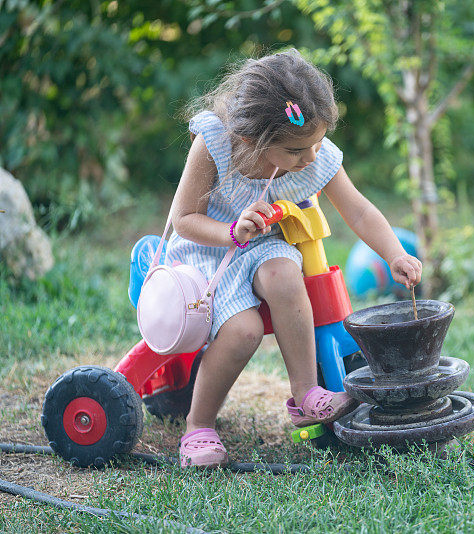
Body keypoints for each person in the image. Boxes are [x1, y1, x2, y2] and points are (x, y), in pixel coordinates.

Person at [166, 49, 423, 468]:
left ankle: (306, 393)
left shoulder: (311, 152)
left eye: (318, 143)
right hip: (208, 254)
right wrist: (232, 232)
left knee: (286, 274)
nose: (310, 158)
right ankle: (199, 423)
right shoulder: (216, 143)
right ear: (254, 139)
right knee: (245, 330)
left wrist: (394, 252)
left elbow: (357, 209)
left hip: (264, 246)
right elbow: (184, 219)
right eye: (296, 151)